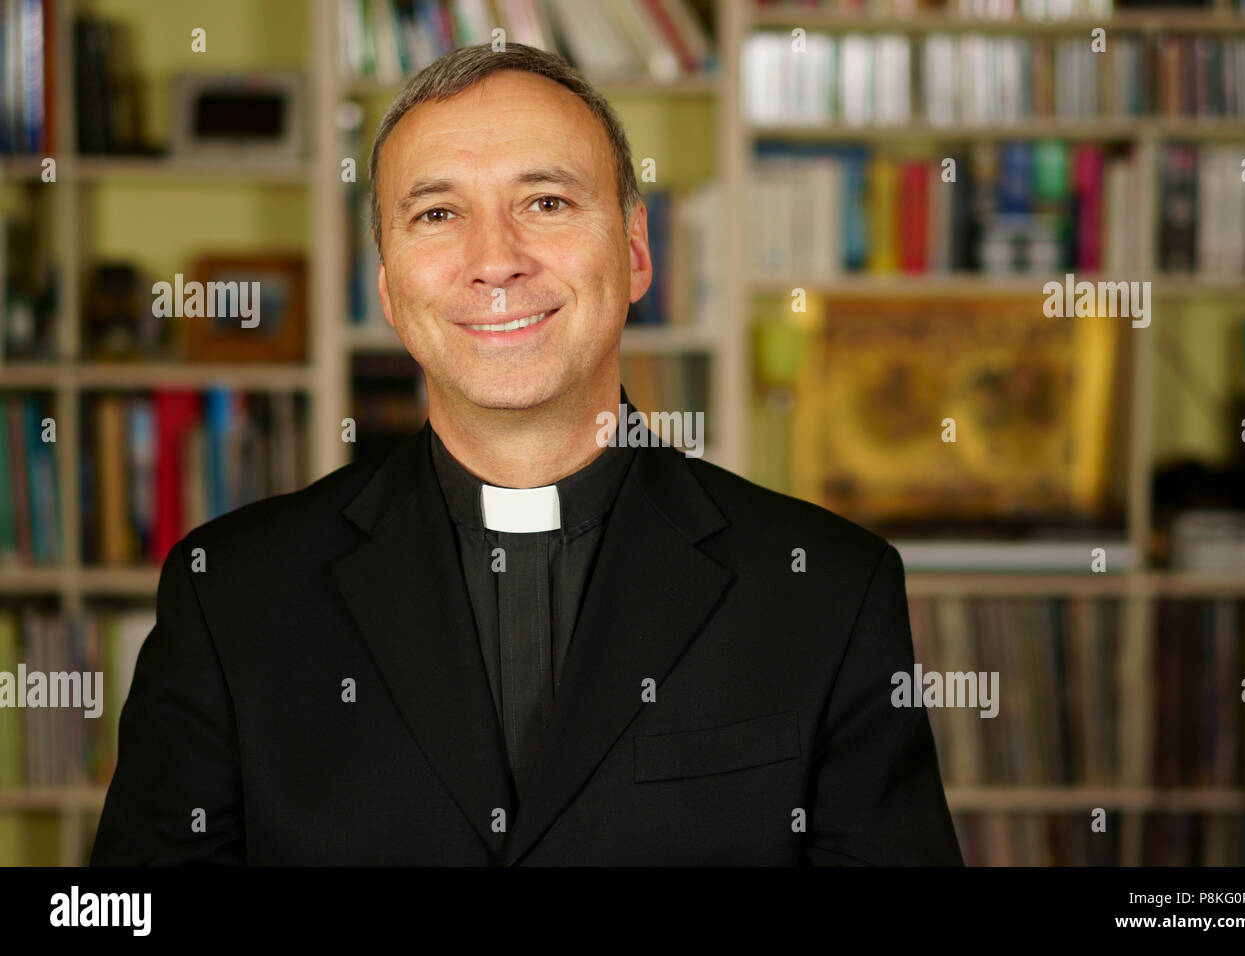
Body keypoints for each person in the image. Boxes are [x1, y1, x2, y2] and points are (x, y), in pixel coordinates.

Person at [91, 42, 961, 866]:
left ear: (633, 250)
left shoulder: (831, 592)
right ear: (389, 286)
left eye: (546, 201)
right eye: (438, 214)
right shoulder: (229, 593)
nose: (495, 261)